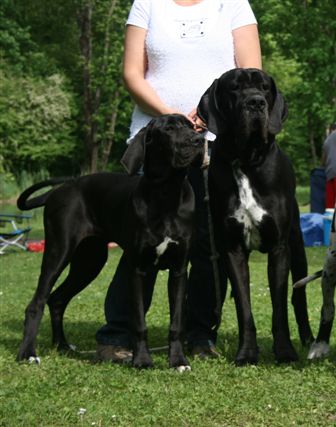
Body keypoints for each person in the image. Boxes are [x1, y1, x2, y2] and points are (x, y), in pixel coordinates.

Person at [95, 0, 262, 362]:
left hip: (215, 144)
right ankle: (118, 334)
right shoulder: (146, 5)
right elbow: (132, 74)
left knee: (208, 245)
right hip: (155, 143)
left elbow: (250, 77)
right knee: (139, 242)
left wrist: (207, 120)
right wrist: (172, 118)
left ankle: (199, 335)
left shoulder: (233, 5)